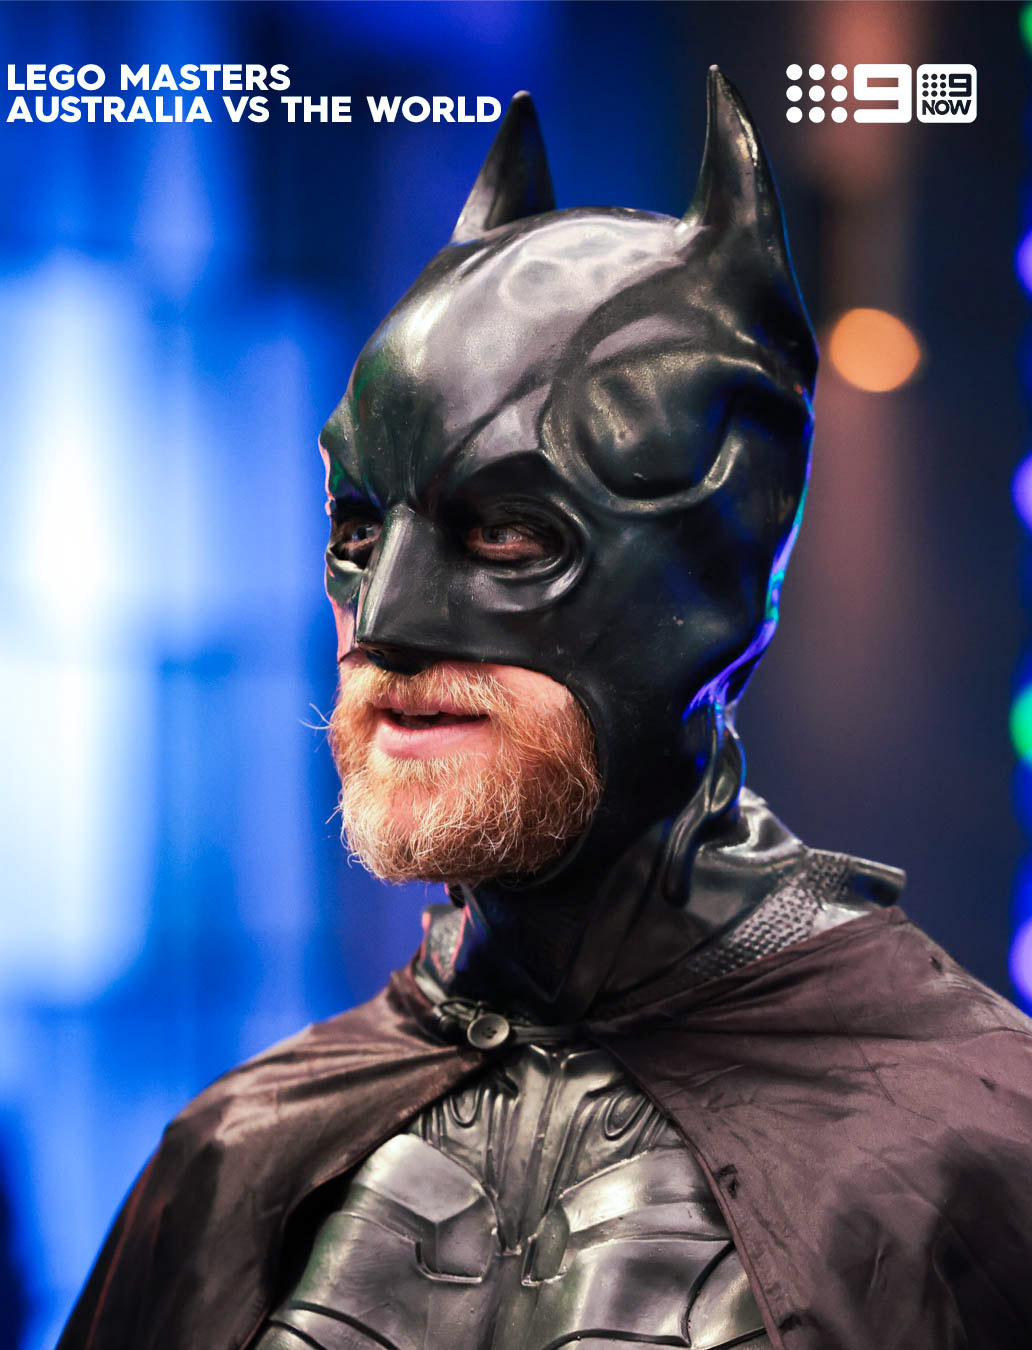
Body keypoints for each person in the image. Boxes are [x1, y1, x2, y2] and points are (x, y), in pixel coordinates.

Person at [58, 70, 1032, 1350]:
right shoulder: (238, 1155)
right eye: (358, 529)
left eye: (510, 532)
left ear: (717, 578)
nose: (386, 621)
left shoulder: (972, 1154)